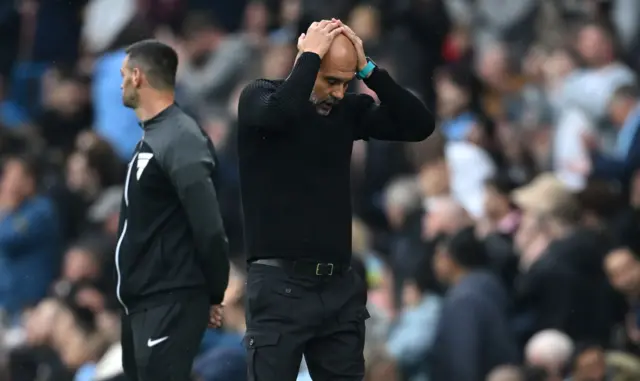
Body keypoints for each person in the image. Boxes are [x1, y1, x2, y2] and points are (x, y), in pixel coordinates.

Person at [237, 19, 434, 381]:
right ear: (306, 65)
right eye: (331, 81)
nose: (340, 93)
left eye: (347, 82)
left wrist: (369, 70)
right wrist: (309, 55)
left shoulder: (346, 112)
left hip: (338, 288)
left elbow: (419, 124)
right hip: (281, 286)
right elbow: (279, 113)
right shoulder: (258, 97)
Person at [116, 39, 230, 381]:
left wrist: (214, 291)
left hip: (170, 299)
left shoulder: (180, 136)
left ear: (137, 77)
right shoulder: (152, 138)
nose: (119, 83)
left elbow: (208, 225)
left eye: (123, 75)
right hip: (143, 303)